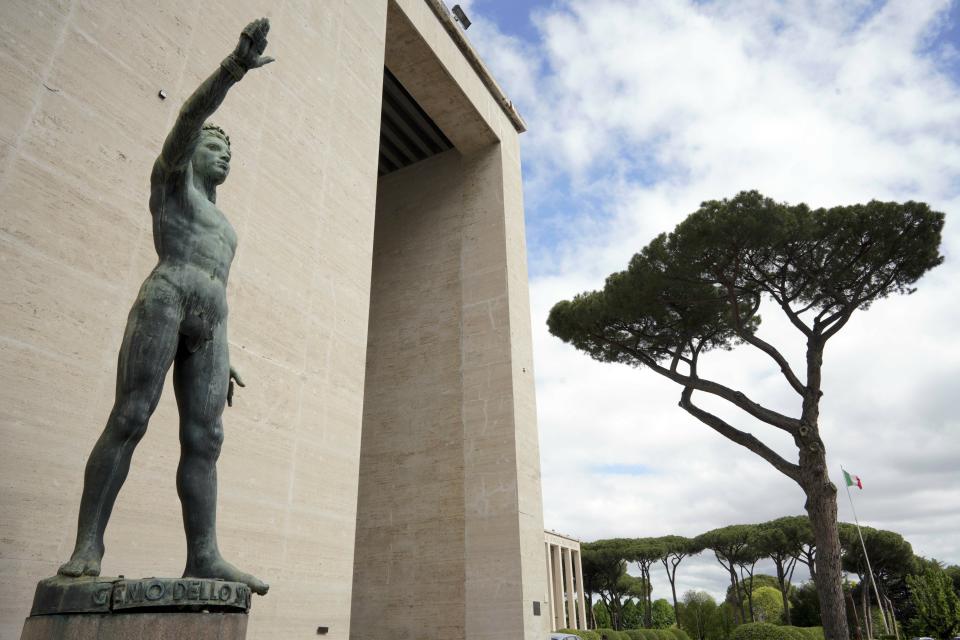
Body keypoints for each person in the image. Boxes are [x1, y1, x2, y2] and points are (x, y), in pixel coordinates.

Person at [57, 18, 275, 596]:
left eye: (229, 149)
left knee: (206, 440)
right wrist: (234, 68)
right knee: (131, 416)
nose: (223, 153)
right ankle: (88, 545)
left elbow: (219, 284)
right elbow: (187, 118)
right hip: (167, 296)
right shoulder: (171, 183)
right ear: (192, 151)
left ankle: (204, 555)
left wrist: (222, 354)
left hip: (213, 322)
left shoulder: (226, 225)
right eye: (215, 144)